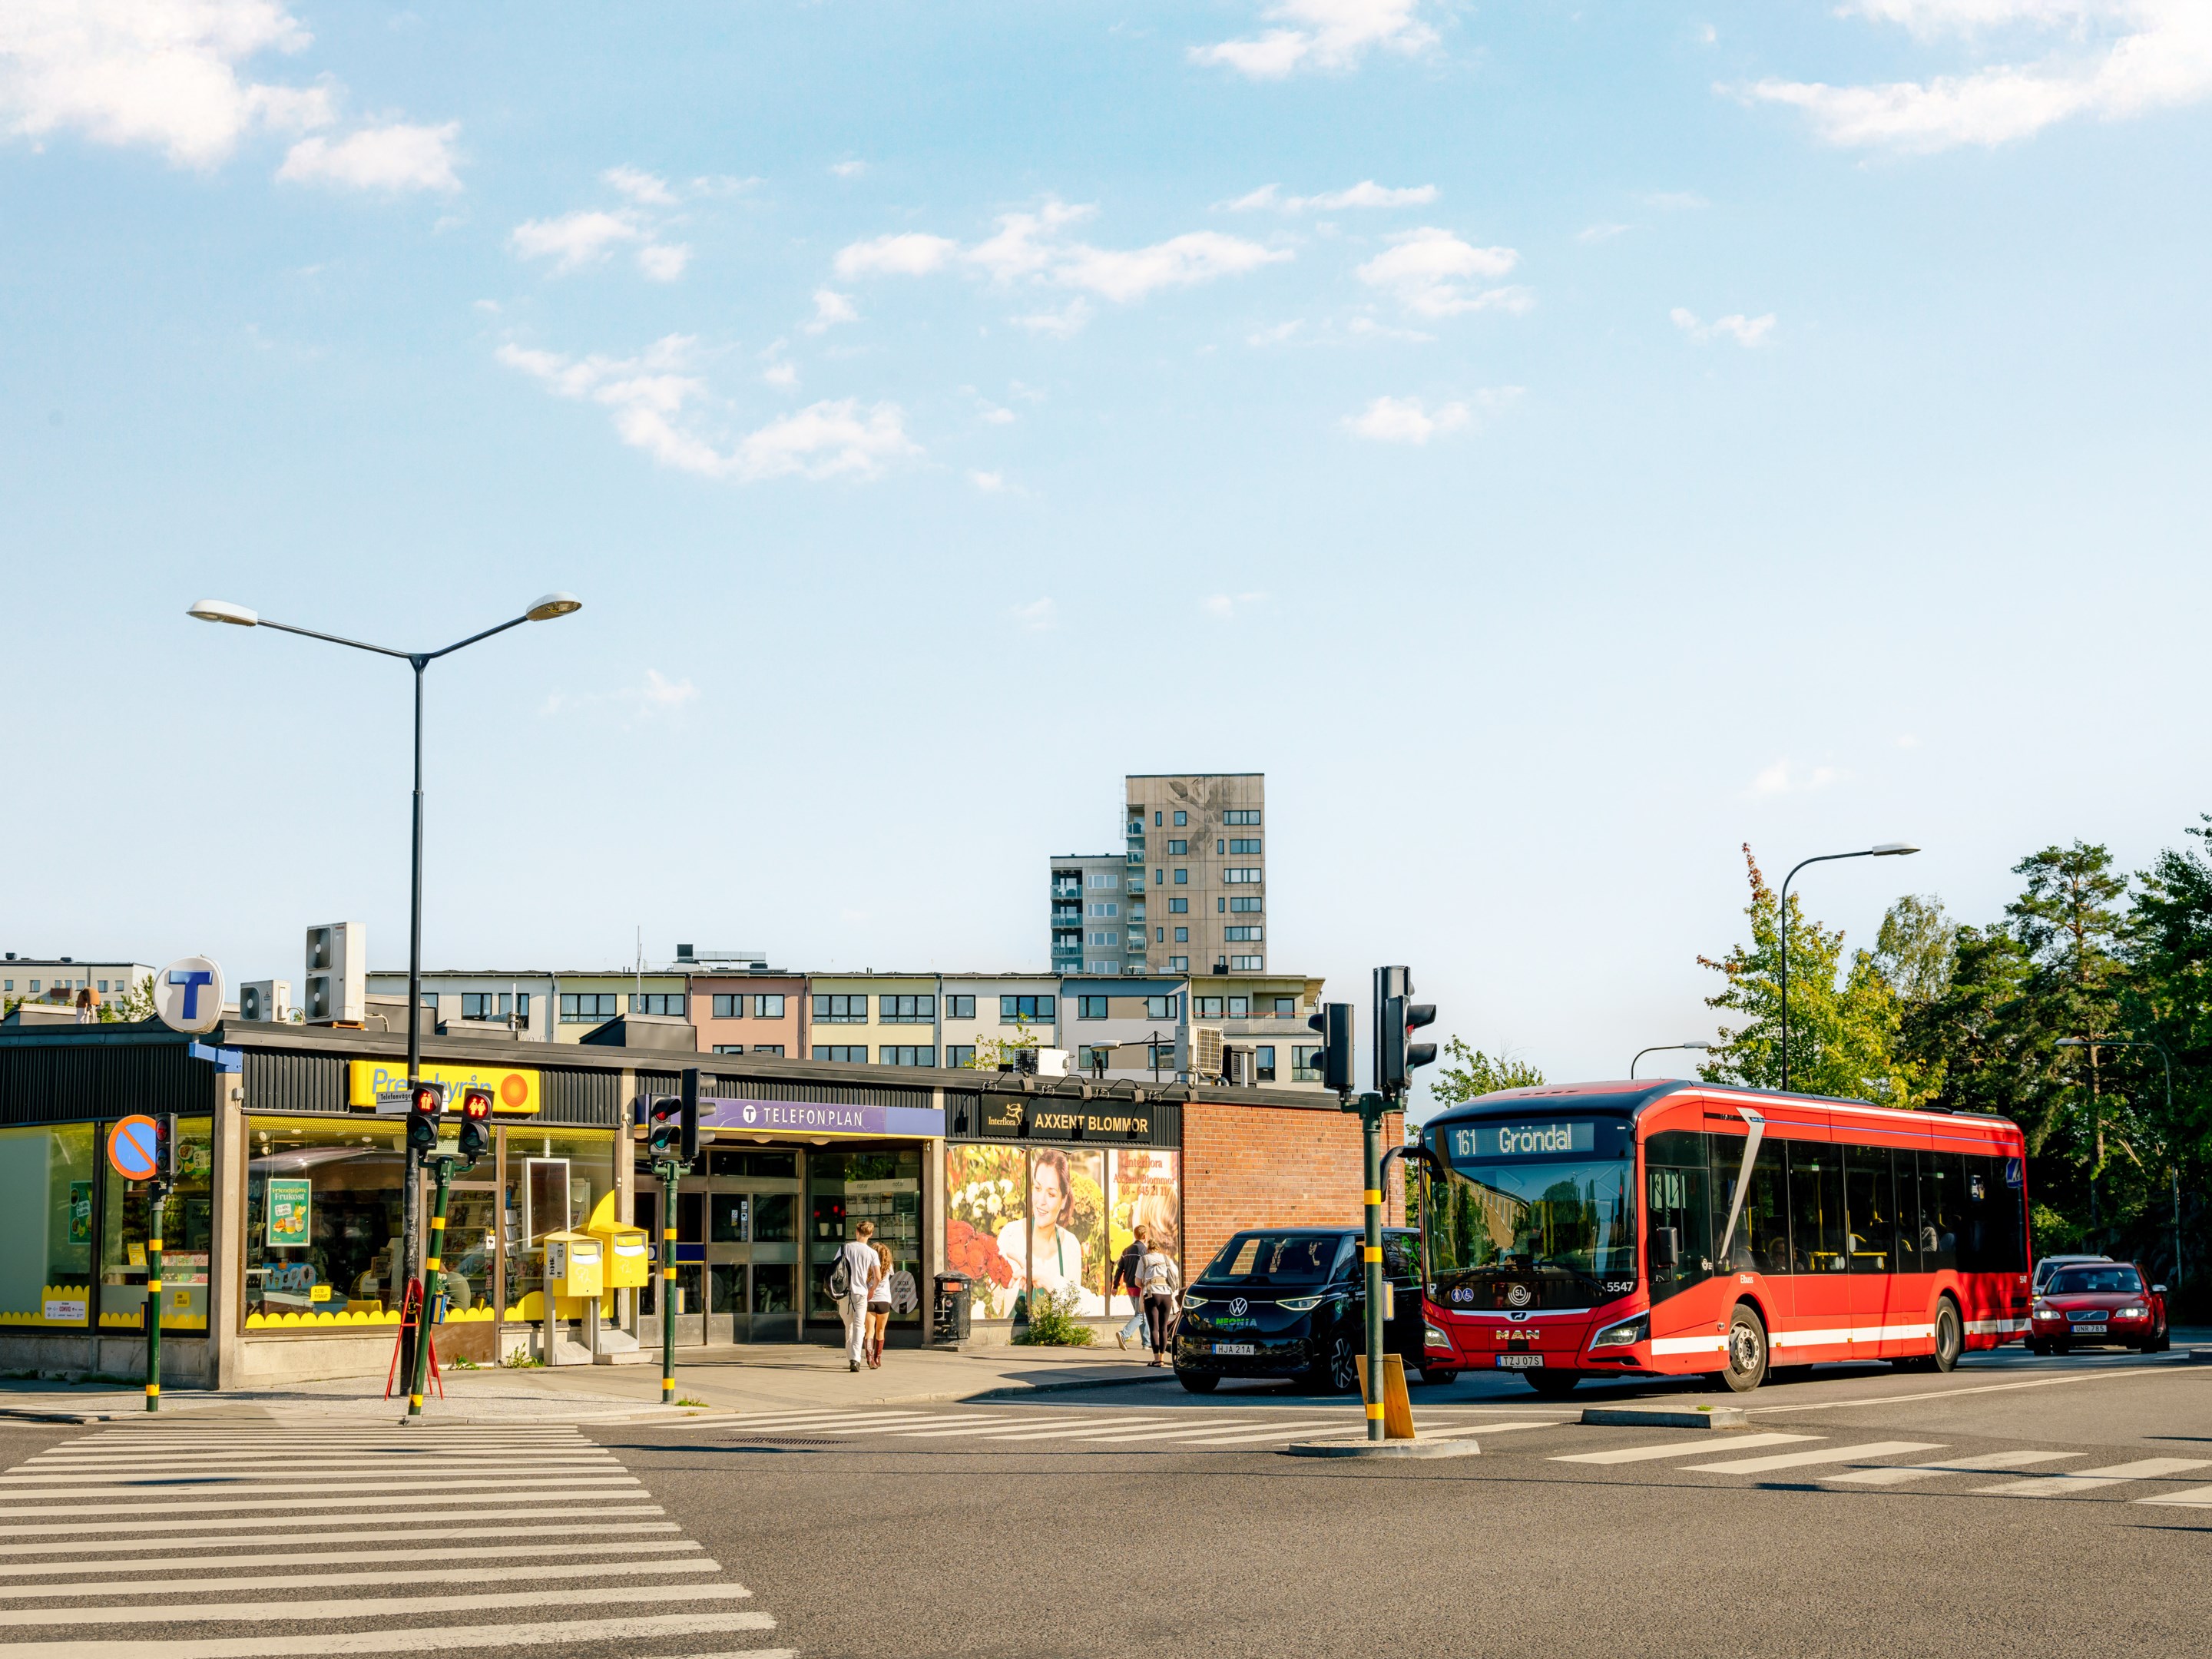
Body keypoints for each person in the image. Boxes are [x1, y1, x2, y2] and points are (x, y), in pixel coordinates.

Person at [995, 1148, 1085, 1310]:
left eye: (1051, 1194)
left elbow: (1073, 1308)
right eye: (1037, 1189)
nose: (1041, 1201)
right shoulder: (1010, 1236)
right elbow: (995, 1307)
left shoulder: (1070, 1246)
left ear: (1063, 1200)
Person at [836, 1221, 879, 1373]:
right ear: (870, 1234)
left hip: (845, 1293)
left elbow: (836, 1269)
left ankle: (852, 1358)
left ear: (857, 1232)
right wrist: (872, 1289)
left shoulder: (845, 1248)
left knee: (849, 1326)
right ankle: (855, 1358)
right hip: (861, 1293)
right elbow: (878, 1277)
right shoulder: (872, 1253)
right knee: (859, 1325)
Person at [1138, 1236, 1181, 1367]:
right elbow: (1175, 1275)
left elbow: (1137, 1281)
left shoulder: (1144, 1259)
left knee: (1154, 1328)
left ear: (1148, 1249)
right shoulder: (1166, 1259)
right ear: (1158, 1248)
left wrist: (1146, 1283)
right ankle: (1162, 1358)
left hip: (1152, 1294)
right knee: (1163, 1328)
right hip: (1167, 1295)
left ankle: (1156, 1359)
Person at [1112, 1224, 1151, 1350]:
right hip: (1140, 1287)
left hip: (1129, 1287)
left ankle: (1146, 1343)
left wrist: (1115, 1286)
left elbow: (1119, 1269)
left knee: (1141, 1314)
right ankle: (1124, 1334)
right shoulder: (1144, 1251)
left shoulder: (1126, 1250)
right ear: (1144, 1236)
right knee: (1141, 1314)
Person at [865, 1240, 894, 1369]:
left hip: (869, 1300)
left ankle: (870, 1358)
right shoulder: (888, 1266)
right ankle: (878, 1358)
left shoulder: (867, 1265)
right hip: (884, 1300)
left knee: (869, 1331)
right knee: (880, 1330)